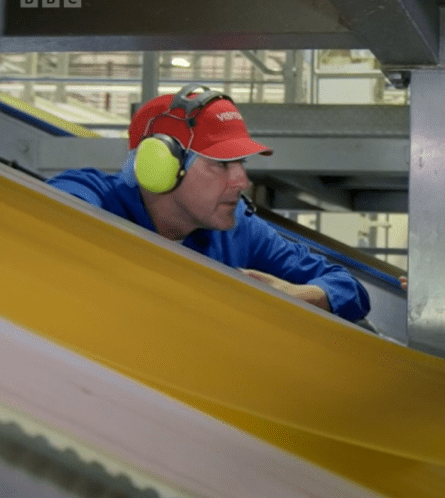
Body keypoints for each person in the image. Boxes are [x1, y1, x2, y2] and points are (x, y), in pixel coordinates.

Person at [46, 84, 371, 323]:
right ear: (161, 166)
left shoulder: (238, 229)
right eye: (221, 164)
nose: (242, 182)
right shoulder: (87, 198)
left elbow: (349, 288)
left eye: (241, 163)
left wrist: (307, 295)